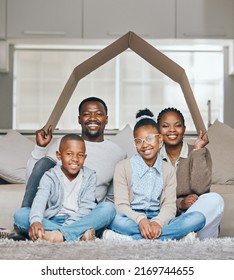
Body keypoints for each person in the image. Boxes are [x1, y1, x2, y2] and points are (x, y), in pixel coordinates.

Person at [8, 97, 126, 240]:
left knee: (109, 209)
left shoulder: (118, 153)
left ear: (106, 119)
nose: (93, 118)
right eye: (87, 114)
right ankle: (73, 233)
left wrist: (101, 219)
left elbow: (113, 197)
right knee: (21, 214)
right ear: (79, 119)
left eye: (99, 114)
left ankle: (52, 234)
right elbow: (35, 178)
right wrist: (40, 148)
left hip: (86, 215)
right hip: (54, 216)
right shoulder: (64, 143)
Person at [103, 108, 205, 241]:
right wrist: (141, 220)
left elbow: (169, 205)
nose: (144, 145)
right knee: (113, 218)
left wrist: (157, 222)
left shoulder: (167, 170)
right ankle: (169, 238)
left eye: (149, 139)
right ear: (135, 144)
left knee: (198, 218)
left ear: (160, 140)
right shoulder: (123, 167)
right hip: (132, 218)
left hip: (159, 218)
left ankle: (130, 239)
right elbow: (121, 206)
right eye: (139, 141)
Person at [13, 134, 103, 242]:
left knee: (108, 209)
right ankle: (77, 234)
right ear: (59, 155)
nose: (75, 159)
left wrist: (67, 226)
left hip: (80, 220)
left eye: (80, 155)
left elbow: (87, 206)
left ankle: (58, 235)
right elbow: (40, 199)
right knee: (21, 214)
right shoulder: (50, 176)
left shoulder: (90, 176)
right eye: (69, 154)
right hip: (53, 220)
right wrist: (36, 221)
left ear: (85, 157)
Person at [156, 107, 224, 239]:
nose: (172, 130)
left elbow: (200, 189)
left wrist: (197, 151)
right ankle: (178, 234)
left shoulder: (199, 152)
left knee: (215, 199)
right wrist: (180, 204)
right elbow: (151, 199)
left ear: (184, 129)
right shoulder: (153, 157)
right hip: (167, 219)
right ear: (159, 131)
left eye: (177, 125)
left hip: (198, 221)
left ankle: (173, 235)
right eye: (165, 126)